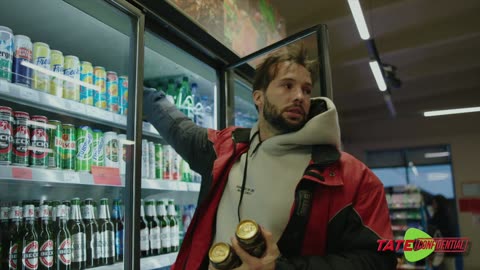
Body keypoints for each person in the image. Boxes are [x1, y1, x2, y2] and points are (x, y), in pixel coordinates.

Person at [143, 44, 397, 270]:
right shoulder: (226, 149)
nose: (300, 96)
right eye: (287, 85)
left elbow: (378, 260)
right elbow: (179, 128)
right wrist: (143, 95)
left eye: (306, 90)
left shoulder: (352, 176)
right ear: (258, 97)